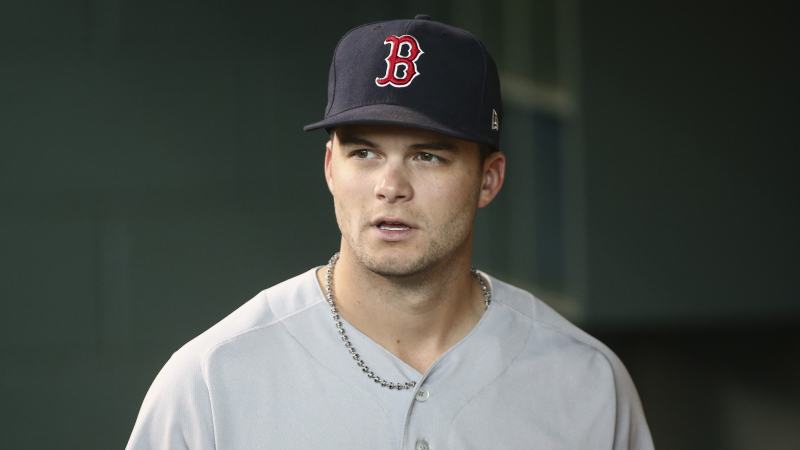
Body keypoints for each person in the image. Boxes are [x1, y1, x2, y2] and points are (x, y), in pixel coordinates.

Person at [126, 15, 654, 450]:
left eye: (428, 156)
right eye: (364, 152)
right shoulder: (212, 380)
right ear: (331, 167)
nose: (390, 186)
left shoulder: (588, 383)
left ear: (488, 180)